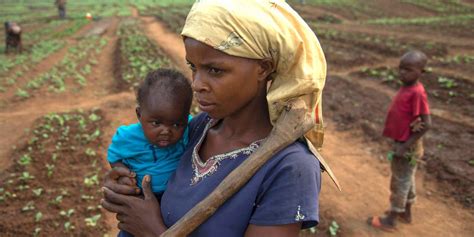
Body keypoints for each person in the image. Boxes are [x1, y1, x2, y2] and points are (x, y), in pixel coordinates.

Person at [101, 0, 331, 236]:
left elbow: (152, 226)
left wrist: (152, 231)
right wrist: (127, 183)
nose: (197, 84)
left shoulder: (289, 167)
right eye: (193, 67)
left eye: (215, 70)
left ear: (263, 68)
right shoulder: (199, 127)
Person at [107, 69, 193, 237]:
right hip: (141, 200)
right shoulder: (127, 137)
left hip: (174, 200)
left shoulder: (191, 128)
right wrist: (125, 175)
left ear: (186, 118)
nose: (166, 131)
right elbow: (114, 157)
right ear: (139, 115)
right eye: (156, 123)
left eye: (176, 124)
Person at [368, 50, 432, 232]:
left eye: (408, 70)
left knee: (399, 181)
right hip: (403, 142)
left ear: (421, 71)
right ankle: (406, 212)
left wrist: (405, 145)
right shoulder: (407, 88)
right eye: (401, 69)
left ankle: (392, 218)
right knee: (407, 179)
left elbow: (427, 123)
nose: (402, 73)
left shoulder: (417, 92)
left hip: (407, 145)